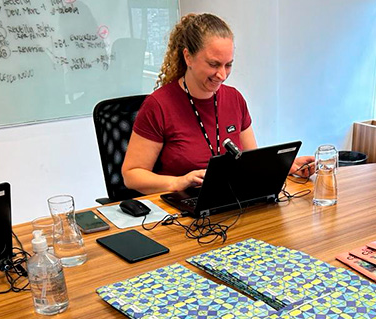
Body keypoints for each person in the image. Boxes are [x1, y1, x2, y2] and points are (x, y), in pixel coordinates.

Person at [122, 13, 315, 195]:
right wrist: (178, 182)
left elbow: (250, 162)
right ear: (188, 57)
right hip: (180, 210)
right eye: (213, 64)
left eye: (228, 65)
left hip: (230, 201)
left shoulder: (234, 99)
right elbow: (132, 175)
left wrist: (285, 166)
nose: (222, 75)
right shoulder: (158, 105)